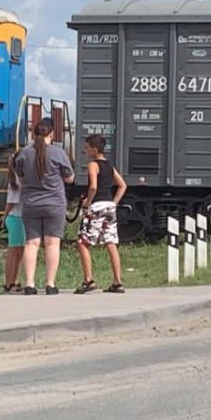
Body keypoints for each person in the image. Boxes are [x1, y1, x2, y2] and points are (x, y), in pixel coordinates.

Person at [16, 120, 74, 295]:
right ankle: (50, 284)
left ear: (33, 134)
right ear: (52, 134)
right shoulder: (58, 153)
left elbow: (20, 179)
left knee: (31, 243)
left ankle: (29, 284)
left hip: (31, 204)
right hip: (54, 203)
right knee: (52, 243)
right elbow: (70, 178)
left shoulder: (24, 153)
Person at [74, 134, 127, 293]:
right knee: (110, 242)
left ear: (94, 149)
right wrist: (114, 203)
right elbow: (122, 185)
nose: (85, 150)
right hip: (109, 206)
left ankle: (88, 280)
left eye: (87, 147)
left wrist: (87, 203)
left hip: (96, 206)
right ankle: (117, 282)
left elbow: (93, 187)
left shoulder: (93, 165)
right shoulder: (109, 166)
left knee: (82, 242)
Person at [1, 152, 24, 293]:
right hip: (16, 217)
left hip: (19, 217)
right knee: (14, 251)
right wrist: (4, 216)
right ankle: (9, 282)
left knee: (19, 251)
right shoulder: (16, 179)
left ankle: (14, 281)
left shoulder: (18, 177)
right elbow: (11, 202)